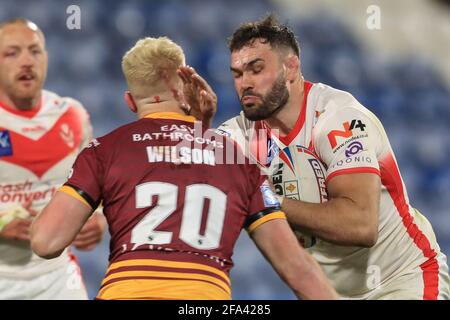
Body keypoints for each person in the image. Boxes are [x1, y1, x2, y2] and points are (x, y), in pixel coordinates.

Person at [30, 36, 338, 300]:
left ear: (130, 101)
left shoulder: (104, 151)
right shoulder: (238, 159)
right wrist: (203, 127)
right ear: (186, 90)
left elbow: (46, 242)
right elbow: (297, 270)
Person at [183, 14, 450, 300]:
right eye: (237, 74)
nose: (244, 83)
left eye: (256, 69)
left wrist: (269, 199)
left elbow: (360, 225)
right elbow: (182, 175)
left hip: (401, 281)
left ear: (291, 68)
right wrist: (193, 126)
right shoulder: (241, 134)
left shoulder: (338, 118)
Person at [0, 18, 106, 299]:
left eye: (34, 51)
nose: (26, 61)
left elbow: (95, 188)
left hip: (57, 279)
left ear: (45, 59)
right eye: (12, 53)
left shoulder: (72, 115)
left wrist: (96, 220)